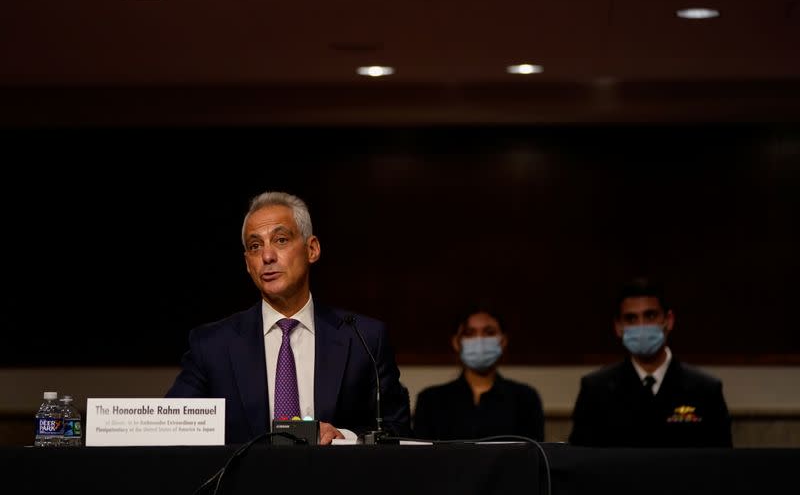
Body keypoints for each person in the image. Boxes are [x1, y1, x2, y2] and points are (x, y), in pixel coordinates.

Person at [166, 191, 411, 444]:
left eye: (281, 240)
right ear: (248, 263)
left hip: (335, 481)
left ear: (312, 249)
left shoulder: (364, 339)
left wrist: (344, 438)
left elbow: (398, 428)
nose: (267, 256)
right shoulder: (212, 345)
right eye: (255, 246)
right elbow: (173, 429)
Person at [568, 277, 733, 447]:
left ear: (668, 320)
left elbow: (721, 463)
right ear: (618, 326)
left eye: (650, 316)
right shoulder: (595, 390)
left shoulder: (706, 390)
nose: (641, 326)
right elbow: (580, 462)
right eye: (631, 319)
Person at [412, 308, 545, 441]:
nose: (480, 340)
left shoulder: (526, 399)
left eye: (489, 332)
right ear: (456, 343)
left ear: (503, 341)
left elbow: (534, 455)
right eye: (470, 333)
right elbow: (423, 457)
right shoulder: (431, 400)